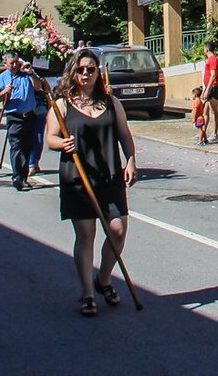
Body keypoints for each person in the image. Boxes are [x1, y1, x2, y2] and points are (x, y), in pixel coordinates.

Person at [46, 47, 138, 316]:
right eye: (81, 69)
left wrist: (131, 160)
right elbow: (49, 137)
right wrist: (61, 143)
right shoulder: (62, 104)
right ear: (73, 73)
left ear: (99, 73)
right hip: (78, 178)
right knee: (86, 236)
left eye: (91, 69)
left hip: (109, 176)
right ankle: (87, 293)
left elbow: (124, 134)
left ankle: (104, 279)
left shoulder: (111, 103)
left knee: (118, 230)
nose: (85, 74)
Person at [0, 53, 41, 190]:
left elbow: (38, 87)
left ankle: (24, 177)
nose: (14, 65)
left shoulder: (26, 74)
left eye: (16, 62)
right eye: (11, 63)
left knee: (28, 147)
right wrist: (4, 92)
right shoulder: (2, 78)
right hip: (14, 116)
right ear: (5, 64)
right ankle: (17, 176)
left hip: (30, 115)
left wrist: (31, 73)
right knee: (16, 146)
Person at [201, 41, 218, 142]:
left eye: (204, 48)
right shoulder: (209, 60)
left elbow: (213, 75)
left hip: (213, 88)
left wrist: (208, 90)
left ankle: (215, 133)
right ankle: (203, 132)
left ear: (207, 49)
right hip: (209, 88)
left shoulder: (213, 59)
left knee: (214, 111)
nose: (203, 50)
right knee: (205, 111)